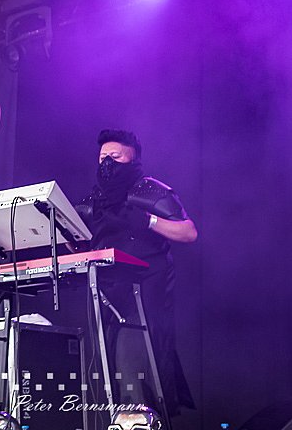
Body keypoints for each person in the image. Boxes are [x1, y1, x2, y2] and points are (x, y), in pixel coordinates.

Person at [78, 129, 196, 420]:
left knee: (135, 362)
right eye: (102, 157)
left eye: (115, 156)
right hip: (107, 294)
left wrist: (149, 221)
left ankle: (142, 420)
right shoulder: (95, 200)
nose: (107, 162)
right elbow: (77, 239)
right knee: (109, 369)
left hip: (144, 294)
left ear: (133, 158)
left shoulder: (149, 190)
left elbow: (188, 232)